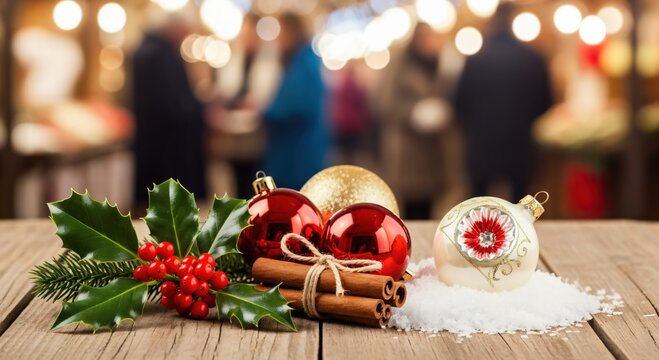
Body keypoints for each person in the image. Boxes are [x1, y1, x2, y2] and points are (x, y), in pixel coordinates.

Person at [454, 3, 552, 201]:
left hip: (481, 146)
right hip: (520, 145)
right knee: (520, 208)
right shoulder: (533, 59)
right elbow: (546, 102)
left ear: (493, 22)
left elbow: (458, 104)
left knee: (477, 207)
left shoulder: (475, 60)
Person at [374, 23, 460, 219]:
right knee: (411, 207)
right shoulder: (400, 65)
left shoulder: (443, 65)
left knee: (431, 205)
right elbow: (384, 103)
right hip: (408, 152)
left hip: (435, 152)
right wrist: (413, 113)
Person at [132, 16, 206, 208]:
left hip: (152, 138)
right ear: (174, 29)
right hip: (169, 144)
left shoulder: (146, 50)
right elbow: (175, 103)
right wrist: (201, 111)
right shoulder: (160, 55)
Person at [262, 13, 329, 190]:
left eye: (280, 32)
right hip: (295, 151)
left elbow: (295, 106)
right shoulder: (301, 61)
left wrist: (262, 113)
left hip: (297, 155)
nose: (277, 38)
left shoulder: (304, 63)